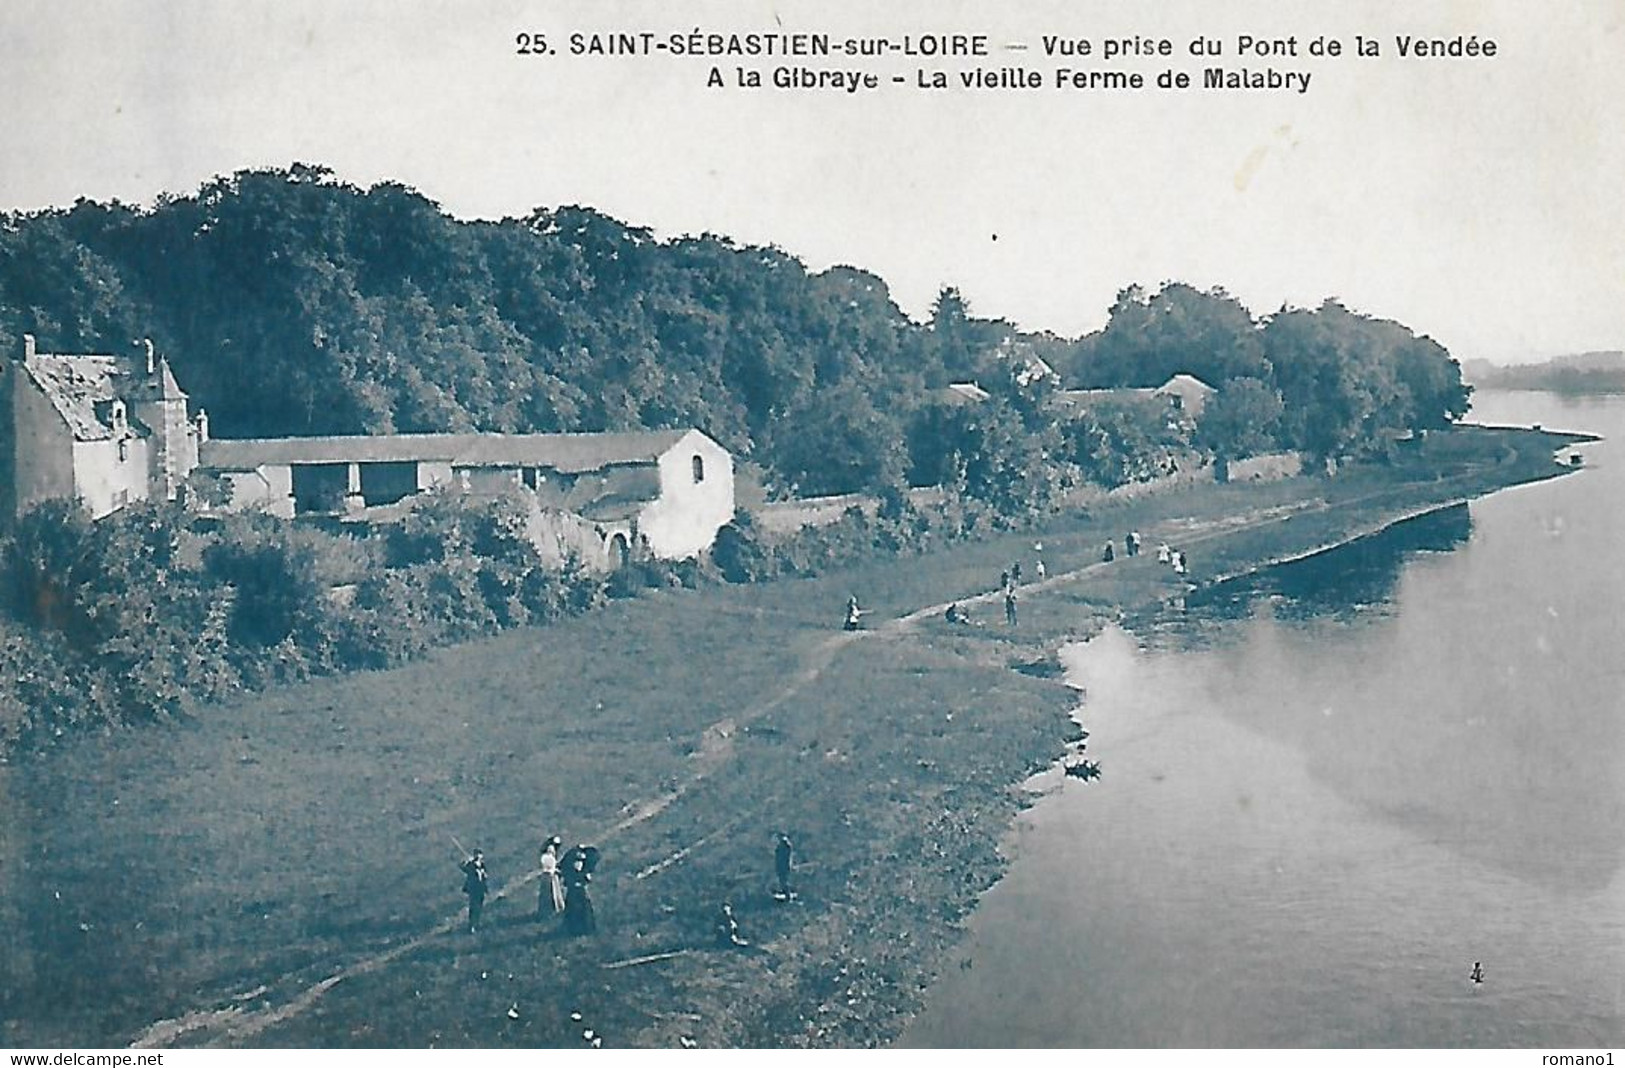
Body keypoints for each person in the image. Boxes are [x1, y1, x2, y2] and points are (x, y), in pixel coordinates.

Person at [562, 857, 596, 936]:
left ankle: (586, 929)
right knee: (573, 911)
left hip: (582, 895)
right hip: (572, 895)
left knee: (585, 911)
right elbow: (566, 883)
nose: (578, 865)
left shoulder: (584, 873)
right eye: (577, 862)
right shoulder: (570, 874)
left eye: (580, 862)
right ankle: (573, 930)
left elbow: (587, 882)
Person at [461, 850, 489, 934]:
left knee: (479, 907)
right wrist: (467, 862)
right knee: (473, 907)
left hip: (481, 889)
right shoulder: (471, 865)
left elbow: (485, 876)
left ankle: (476, 923)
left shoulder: (482, 866)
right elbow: (462, 867)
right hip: (473, 889)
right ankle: (471, 925)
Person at [538, 836, 564, 917]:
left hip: (549, 876)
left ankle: (554, 908)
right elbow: (549, 867)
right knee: (551, 892)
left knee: (554, 892)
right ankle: (550, 909)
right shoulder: (547, 857)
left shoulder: (547, 856)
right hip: (549, 877)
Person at [774, 833, 795, 900]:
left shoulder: (785, 845)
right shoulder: (784, 846)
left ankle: (788, 895)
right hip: (781, 865)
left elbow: (785, 857)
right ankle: (785, 892)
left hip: (783, 866)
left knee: (784, 880)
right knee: (782, 880)